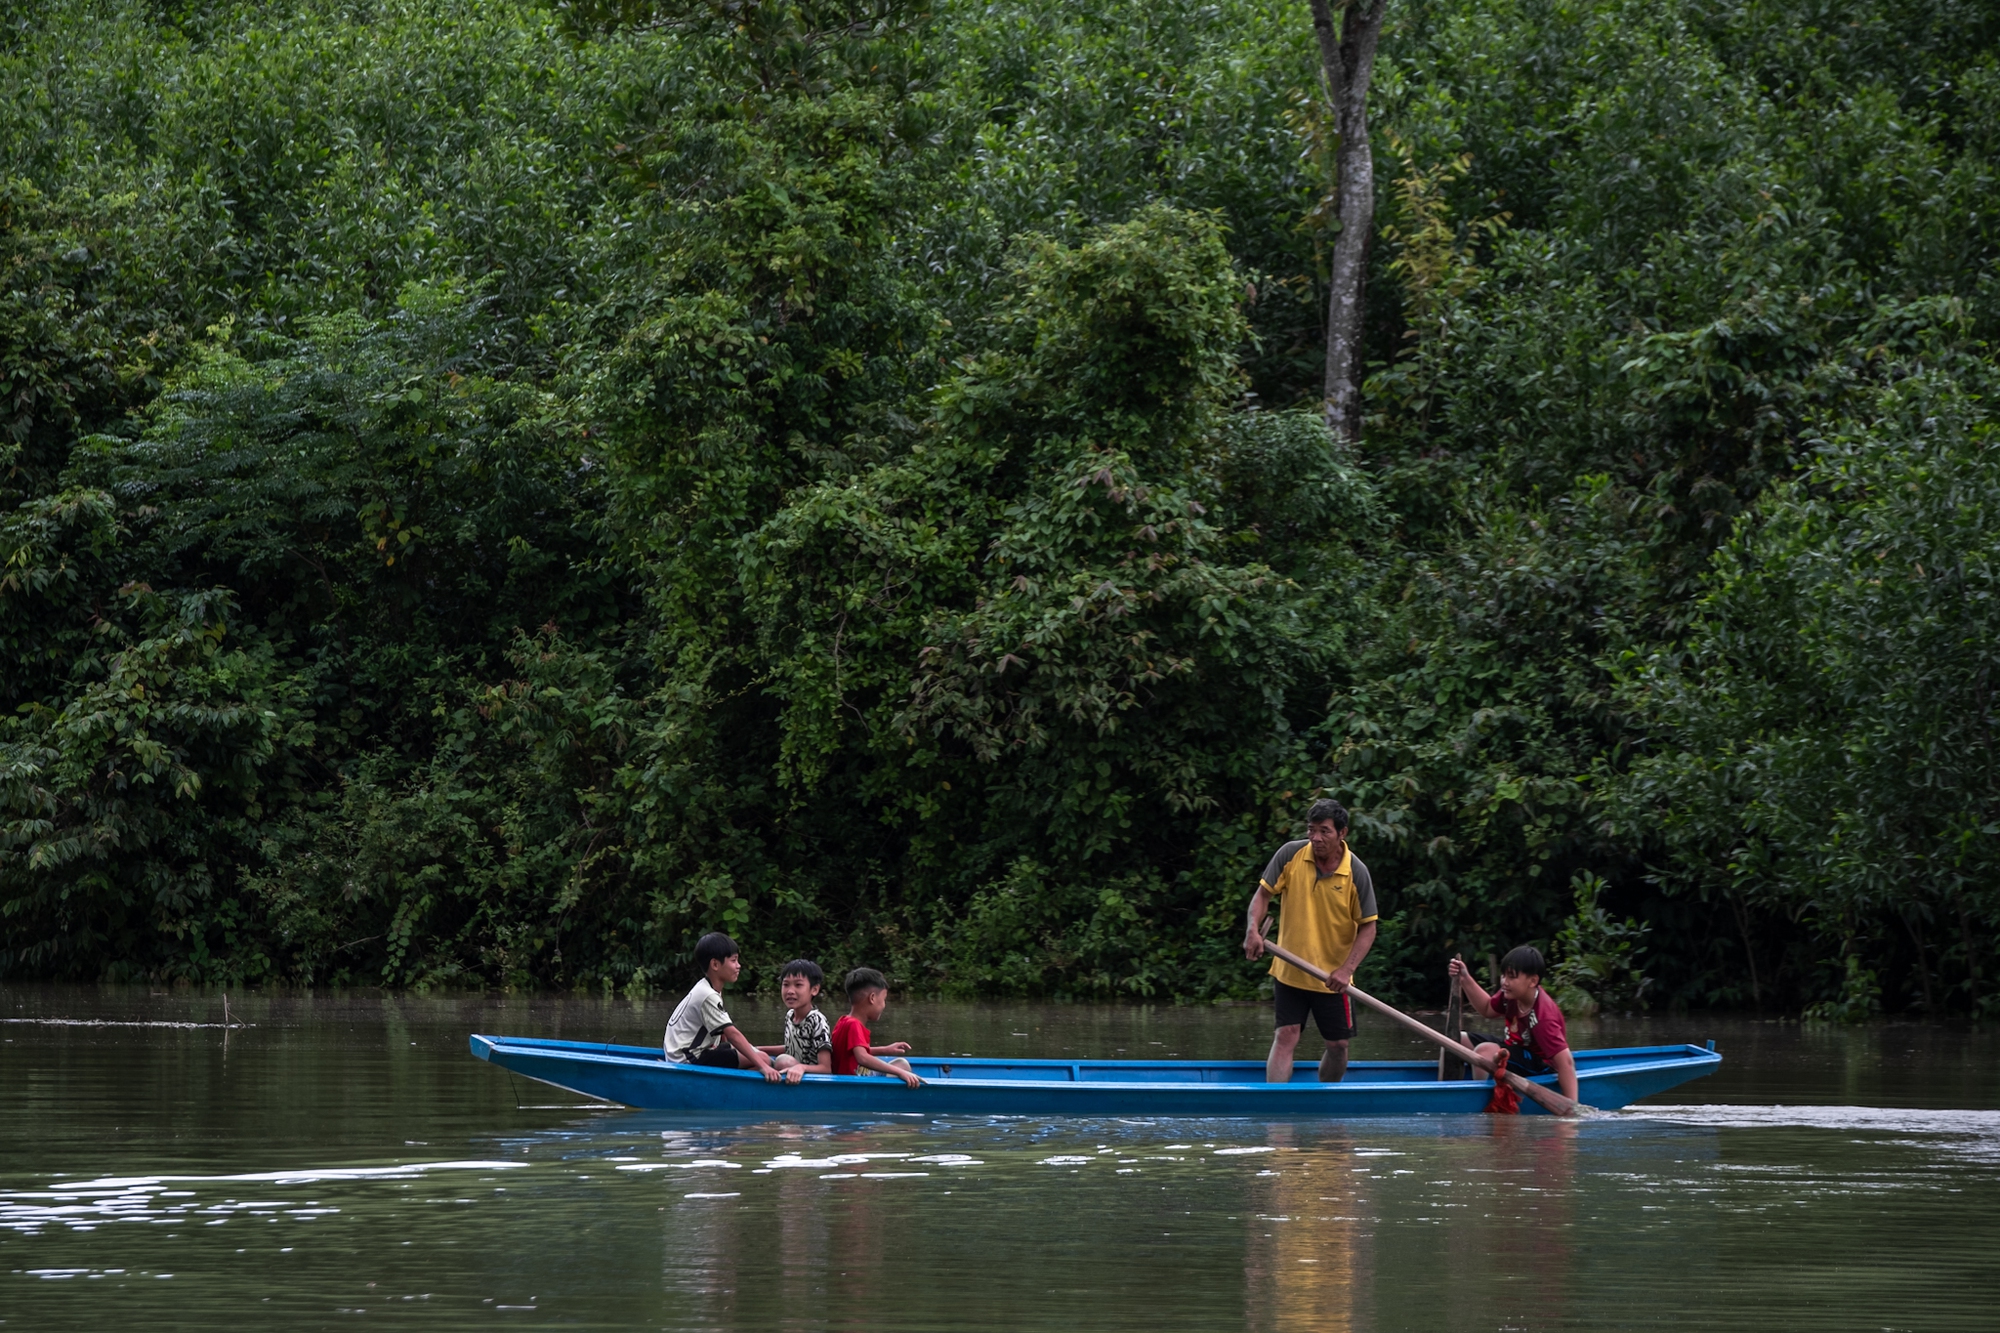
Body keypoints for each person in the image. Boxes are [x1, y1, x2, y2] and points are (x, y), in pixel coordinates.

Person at [1242, 798, 1378, 1083]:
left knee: (1338, 1046)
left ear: (1342, 833)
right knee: (1285, 1035)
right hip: (1290, 972)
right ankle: (1276, 1113)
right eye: (1311, 830)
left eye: (1324, 831)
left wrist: (1346, 970)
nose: (1316, 838)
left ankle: (1326, 1102)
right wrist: (1252, 929)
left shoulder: (1357, 872)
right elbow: (1263, 896)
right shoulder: (1290, 855)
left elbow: (1368, 928)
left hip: (1332, 977)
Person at [1448, 946, 1579, 1103]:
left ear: (1533, 981)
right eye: (1503, 976)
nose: (1504, 982)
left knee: (1484, 1051)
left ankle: (1480, 1101)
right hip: (1514, 1049)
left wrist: (1571, 1108)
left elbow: (1566, 1062)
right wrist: (1465, 978)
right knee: (1454, 1040)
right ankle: (1445, 1089)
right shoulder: (1510, 995)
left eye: (1511, 977)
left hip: (1541, 1066)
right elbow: (1487, 1009)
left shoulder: (1543, 1017)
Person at [662, 932, 782, 1082]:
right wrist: (764, 1067)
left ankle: (780, 1050)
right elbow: (732, 1033)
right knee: (763, 1059)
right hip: (688, 1059)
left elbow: (722, 1034)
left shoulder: (708, 987)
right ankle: (737, 1090)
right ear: (715, 964)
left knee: (750, 1051)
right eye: (734, 960)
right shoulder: (708, 995)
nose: (738, 966)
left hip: (687, 1053)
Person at [830, 967, 922, 1088]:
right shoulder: (854, 1025)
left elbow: (853, 1051)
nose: (884, 1005)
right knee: (901, 1065)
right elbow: (862, 1057)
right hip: (853, 1083)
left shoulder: (844, 1021)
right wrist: (901, 1073)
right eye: (883, 1000)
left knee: (900, 1064)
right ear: (872, 998)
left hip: (853, 1077)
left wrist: (885, 1050)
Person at [757, 958, 834, 1082]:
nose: (790, 991)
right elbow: (791, 1048)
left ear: (814, 990)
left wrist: (801, 1067)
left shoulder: (817, 1021)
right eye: (786, 984)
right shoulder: (790, 1015)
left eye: (798, 985)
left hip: (810, 1080)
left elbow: (826, 1068)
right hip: (790, 1070)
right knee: (755, 1058)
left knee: (782, 1061)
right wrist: (756, 1049)